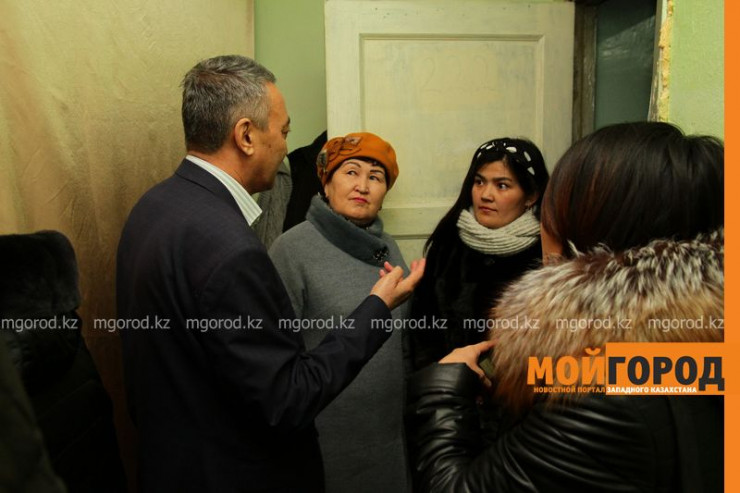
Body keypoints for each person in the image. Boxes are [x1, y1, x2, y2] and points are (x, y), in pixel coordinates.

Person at [116, 55, 424, 493]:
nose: (284, 148)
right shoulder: (232, 249)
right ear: (246, 136)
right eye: (283, 132)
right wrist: (377, 307)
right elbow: (288, 399)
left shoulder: (153, 207)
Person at [406, 122, 724, 492]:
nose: (546, 221)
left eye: (556, 205)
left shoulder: (597, 397)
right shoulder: (691, 343)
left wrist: (441, 391)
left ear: (593, 228)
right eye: (479, 182)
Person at [269, 132, 410, 493]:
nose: (363, 186)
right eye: (350, 172)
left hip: (385, 437)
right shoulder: (290, 249)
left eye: (375, 177)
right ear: (326, 182)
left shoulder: (390, 249)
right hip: (323, 441)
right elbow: (275, 361)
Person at [408, 138, 549, 371]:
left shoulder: (546, 252)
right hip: (449, 383)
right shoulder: (447, 242)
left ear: (531, 196)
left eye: (502, 185)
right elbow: (422, 328)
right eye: (479, 182)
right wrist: (439, 377)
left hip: (520, 388)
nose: (486, 195)